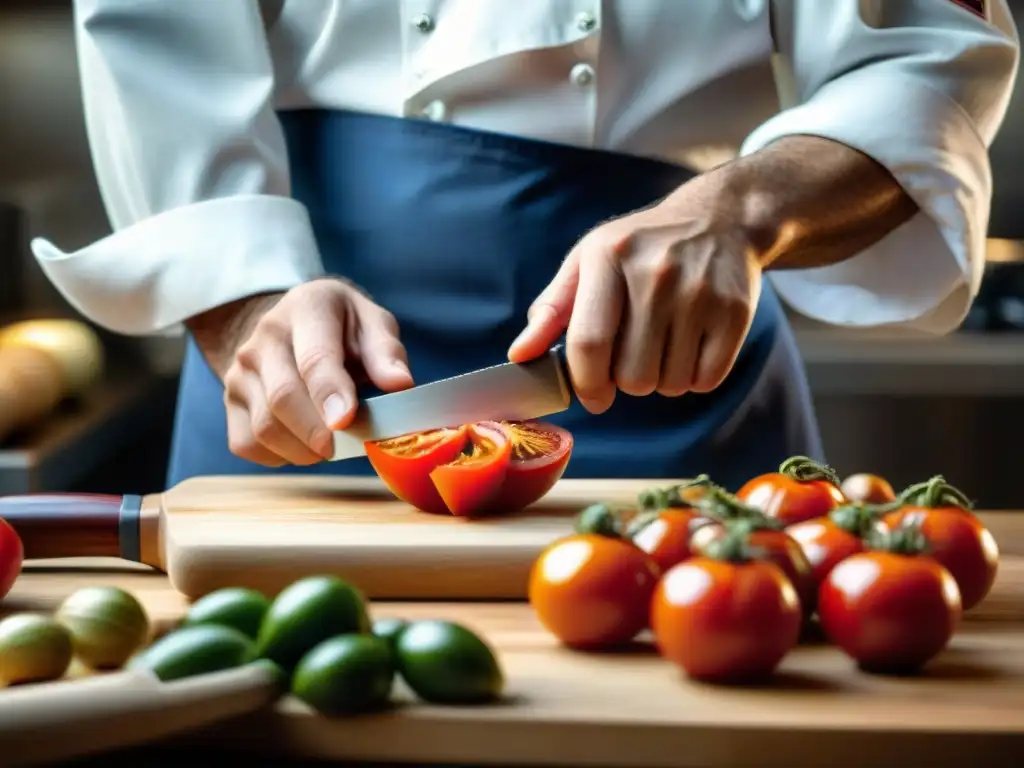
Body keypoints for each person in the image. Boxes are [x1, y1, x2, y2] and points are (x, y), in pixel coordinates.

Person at [33, 1, 1018, 491]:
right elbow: (154, 29)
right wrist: (242, 297)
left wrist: (741, 209)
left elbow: (926, 54)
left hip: (671, 359)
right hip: (297, 379)